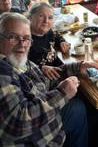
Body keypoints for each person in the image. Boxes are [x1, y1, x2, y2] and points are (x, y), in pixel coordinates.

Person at [0, 12, 92, 146]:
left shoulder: (20, 61)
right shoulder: (3, 71)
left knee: (79, 105)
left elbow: (46, 79)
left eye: (26, 38)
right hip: (33, 139)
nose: (22, 44)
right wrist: (61, 93)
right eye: (13, 37)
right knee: (77, 108)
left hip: (42, 121)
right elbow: (17, 123)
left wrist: (78, 67)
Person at [28, 1, 71, 80]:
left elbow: (57, 36)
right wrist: (40, 68)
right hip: (43, 80)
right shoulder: (25, 40)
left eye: (50, 18)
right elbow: (20, 65)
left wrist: (62, 42)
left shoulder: (48, 32)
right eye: (41, 16)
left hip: (58, 69)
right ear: (30, 17)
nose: (46, 21)